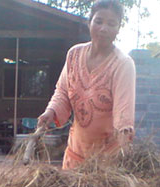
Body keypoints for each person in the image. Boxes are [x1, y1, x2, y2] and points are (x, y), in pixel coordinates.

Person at [37, 0, 136, 170]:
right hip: (74, 156)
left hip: (105, 165)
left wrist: (123, 157)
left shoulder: (123, 64)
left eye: (111, 24)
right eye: (98, 21)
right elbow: (62, 92)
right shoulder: (74, 55)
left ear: (118, 29)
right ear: (89, 22)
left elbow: (123, 113)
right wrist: (50, 111)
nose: (103, 28)